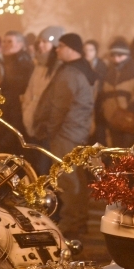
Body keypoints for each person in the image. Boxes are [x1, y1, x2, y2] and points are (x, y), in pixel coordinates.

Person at [33, 33, 96, 238]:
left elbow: (59, 106)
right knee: (76, 177)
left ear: (71, 48)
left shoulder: (70, 72)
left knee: (68, 179)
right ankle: (79, 219)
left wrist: (49, 128)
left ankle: (71, 221)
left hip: (66, 132)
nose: (56, 50)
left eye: (60, 46)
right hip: (76, 131)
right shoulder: (81, 70)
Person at [98, 38, 134, 147]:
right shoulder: (109, 72)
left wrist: (128, 111)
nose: (116, 59)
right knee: (116, 157)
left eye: (120, 55)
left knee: (130, 157)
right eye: (113, 55)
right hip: (113, 123)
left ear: (127, 55)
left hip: (132, 123)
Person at [22, 26, 63, 141]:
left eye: (45, 42)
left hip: (48, 126)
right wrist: (27, 109)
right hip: (32, 120)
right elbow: (30, 91)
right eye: (39, 42)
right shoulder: (39, 65)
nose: (40, 45)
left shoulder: (60, 68)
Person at [1, 31, 35, 101]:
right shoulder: (6, 61)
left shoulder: (23, 64)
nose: (5, 44)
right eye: (4, 41)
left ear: (20, 45)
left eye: (10, 42)